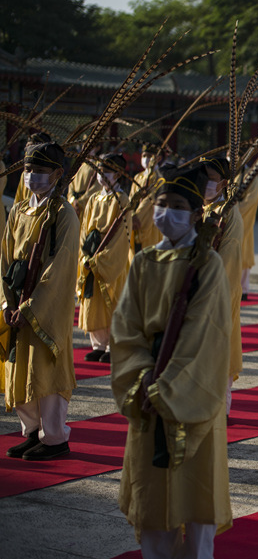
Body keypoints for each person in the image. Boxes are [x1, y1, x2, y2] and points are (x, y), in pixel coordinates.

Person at [110, 163, 232, 559]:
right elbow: (126, 327)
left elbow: (206, 333)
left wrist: (168, 386)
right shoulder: (145, 261)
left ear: (197, 213)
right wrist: (140, 378)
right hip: (147, 384)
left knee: (194, 483)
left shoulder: (209, 264)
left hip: (189, 387)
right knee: (151, 481)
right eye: (161, 205)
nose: (166, 214)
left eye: (178, 207)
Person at [2, 140, 79, 461]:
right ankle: (31, 431)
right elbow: (5, 258)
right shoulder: (19, 209)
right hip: (17, 298)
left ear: (58, 173)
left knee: (45, 367)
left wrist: (31, 306)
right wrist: (7, 302)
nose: (32, 176)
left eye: (40, 171)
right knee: (19, 366)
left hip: (45, 306)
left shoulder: (63, 213)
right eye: (29, 170)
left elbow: (60, 266)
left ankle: (55, 438)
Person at [77, 152, 131, 364]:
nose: (102, 175)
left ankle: (113, 345)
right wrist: (85, 254)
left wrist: (102, 259)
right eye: (100, 170)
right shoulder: (94, 198)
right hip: (91, 255)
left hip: (110, 259)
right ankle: (98, 345)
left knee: (112, 301)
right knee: (94, 303)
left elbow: (121, 237)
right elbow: (84, 228)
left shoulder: (122, 199)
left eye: (106, 171)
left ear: (118, 173)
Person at [201, 155, 244, 414]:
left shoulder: (229, 214)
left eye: (211, 179)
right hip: (191, 290)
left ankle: (220, 408)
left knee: (218, 347)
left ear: (224, 183)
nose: (205, 183)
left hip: (217, 293)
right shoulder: (196, 208)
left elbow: (229, 261)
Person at [131, 143, 163, 255]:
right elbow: (132, 198)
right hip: (135, 221)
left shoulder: (159, 177)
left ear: (158, 158)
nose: (146, 159)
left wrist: (137, 216)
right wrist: (131, 215)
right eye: (144, 156)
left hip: (151, 220)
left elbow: (150, 198)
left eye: (150, 156)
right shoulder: (138, 177)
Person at [236, 163, 258, 300]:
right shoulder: (226, 173)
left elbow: (250, 200)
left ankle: (243, 288)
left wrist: (232, 209)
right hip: (224, 217)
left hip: (242, 219)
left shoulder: (251, 175)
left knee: (243, 252)